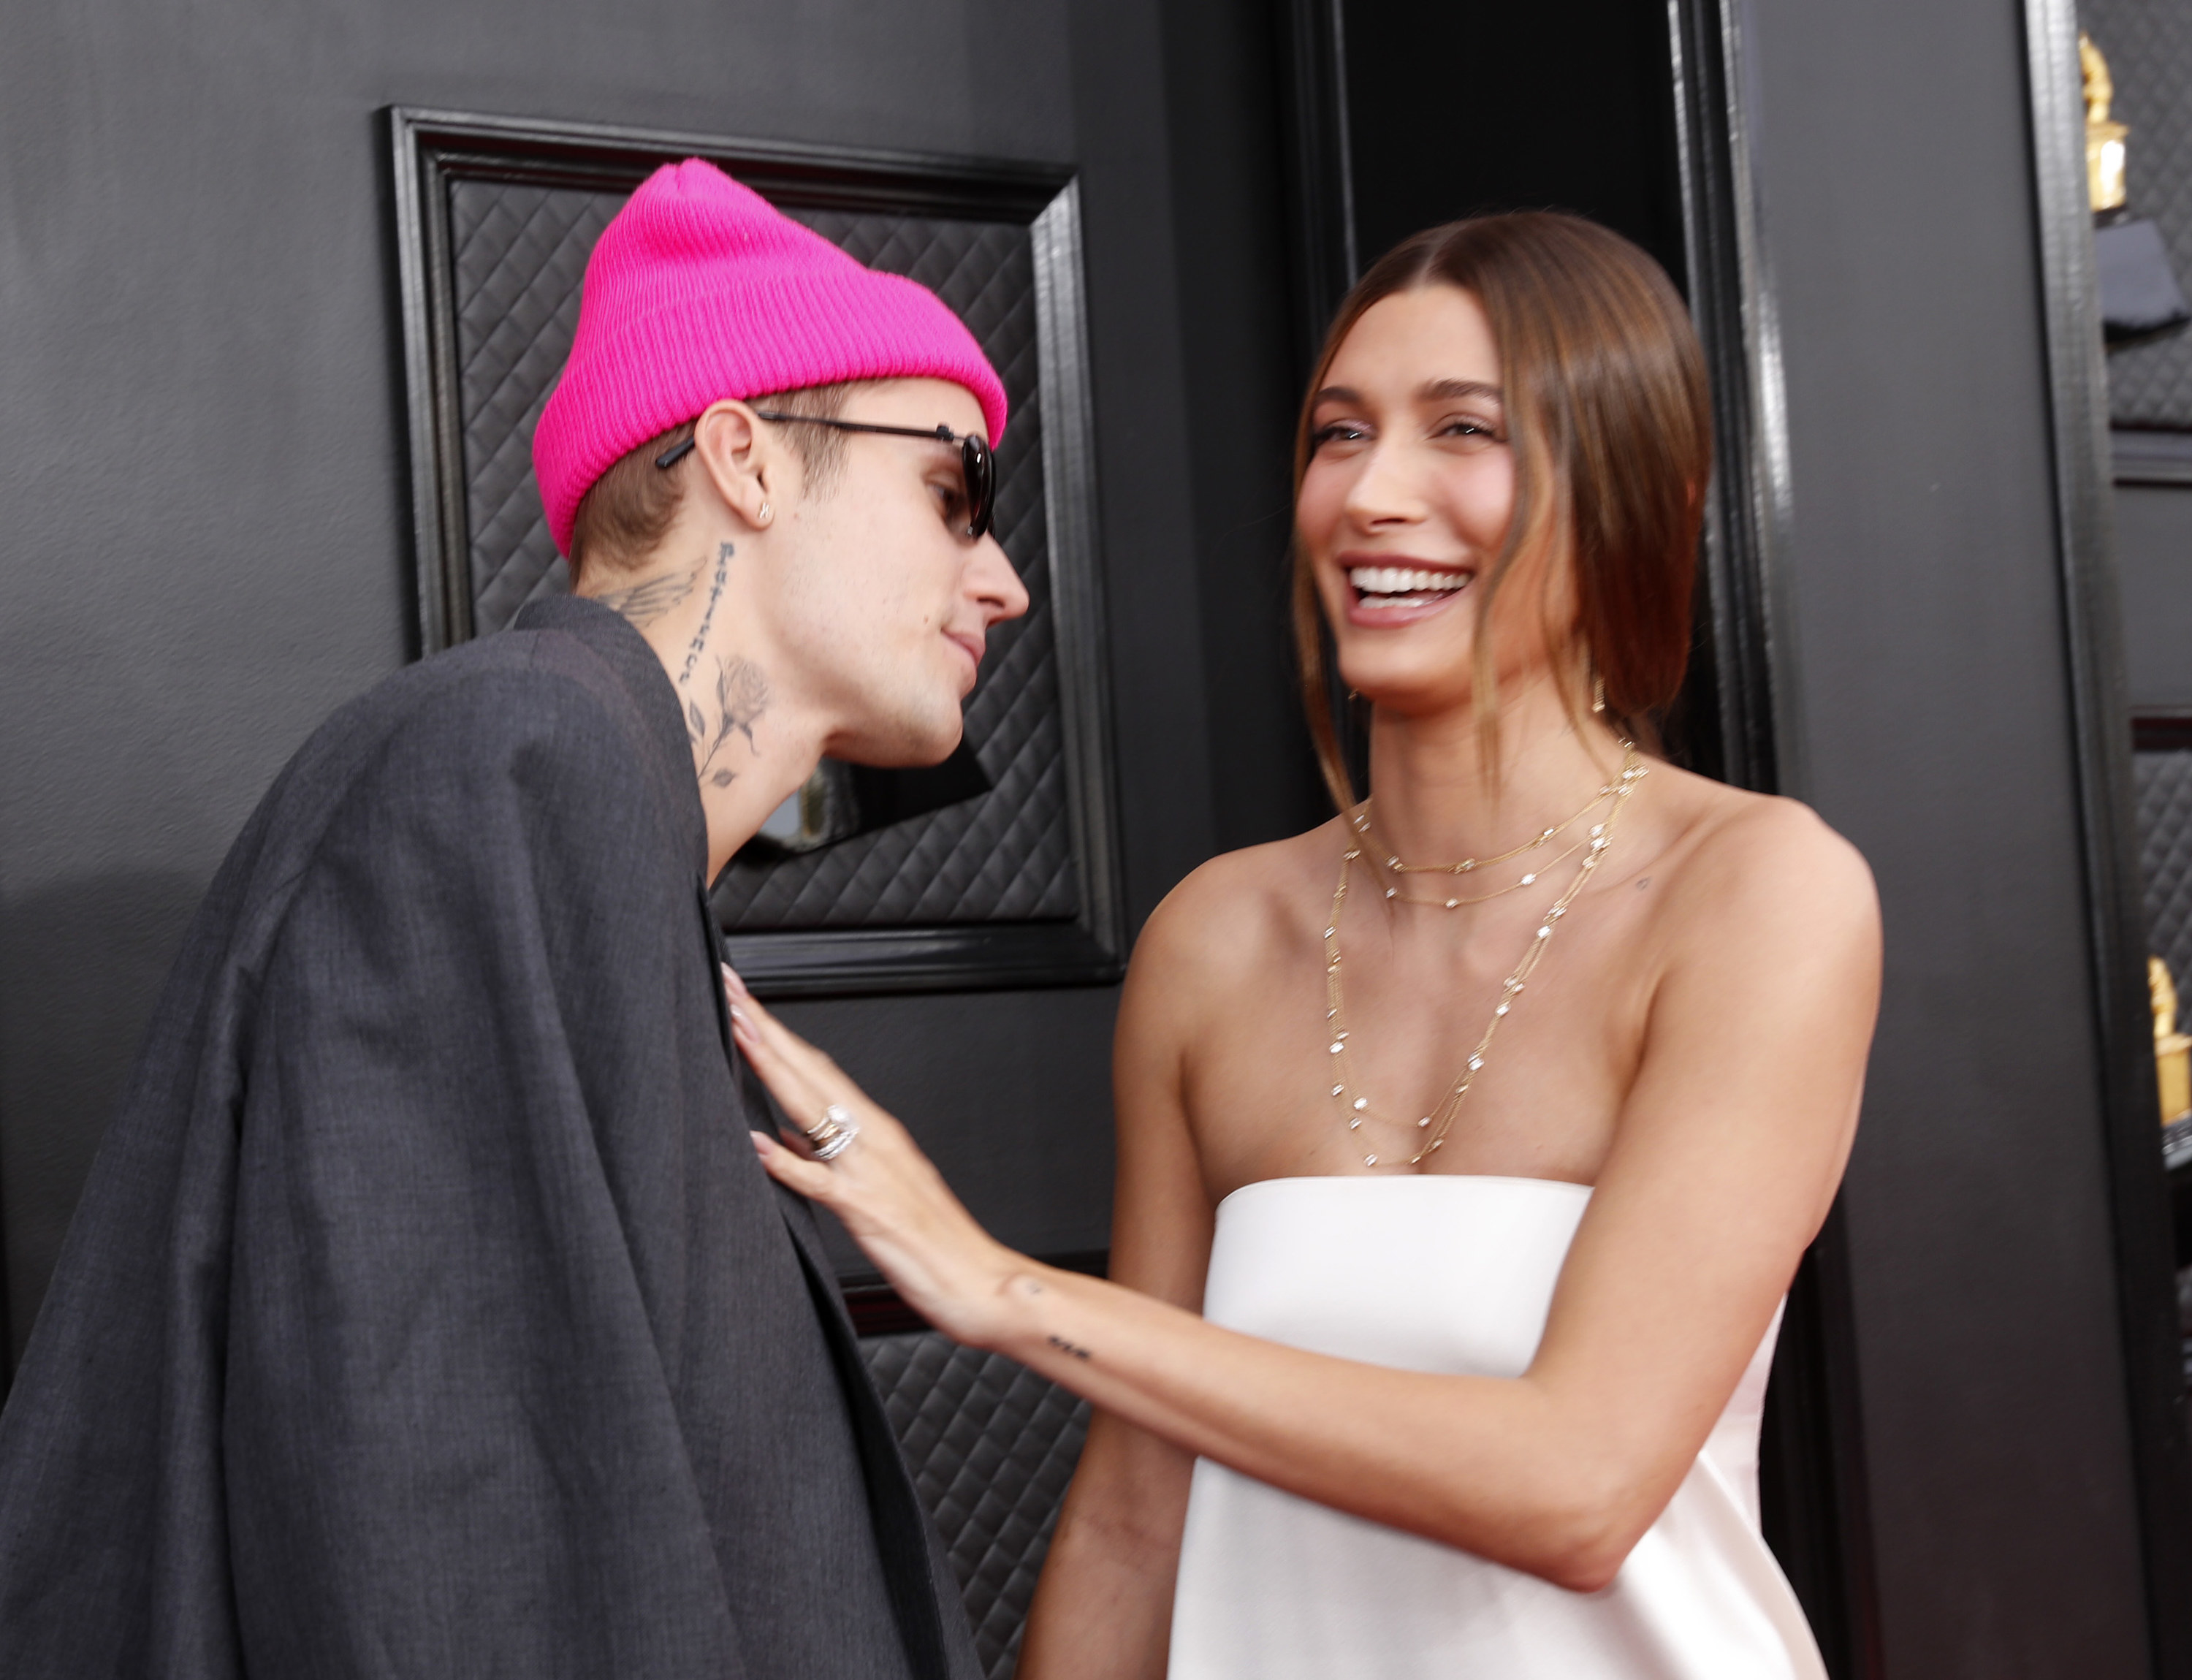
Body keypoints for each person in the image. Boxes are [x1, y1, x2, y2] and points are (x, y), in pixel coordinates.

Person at [723, 211, 1881, 1679]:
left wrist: (1009, 1290)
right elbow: (1138, 1518)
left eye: (1463, 430)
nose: (1371, 494)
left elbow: (1578, 1485)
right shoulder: (1218, 936)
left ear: (1627, 487)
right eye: (1340, 434)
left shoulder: (1759, 894)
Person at [0, 158, 1026, 1679]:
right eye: (956, 493)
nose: (999, 578)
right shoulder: (518, 765)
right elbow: (456, 1521)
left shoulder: (577, 793)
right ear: (744, 455)